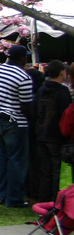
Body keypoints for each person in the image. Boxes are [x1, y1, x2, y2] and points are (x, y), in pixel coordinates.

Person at [0, 45, 35, 208]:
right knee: (17, 161)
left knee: (3, 158)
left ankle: (1, 193)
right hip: (14, 121)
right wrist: (32, 121)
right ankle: (14, 198)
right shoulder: (23, 77)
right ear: (22, 58)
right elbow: (26, 105)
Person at [35, 60, 70, 203]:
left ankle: (43, 199)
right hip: (55, 135)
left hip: (41, 132)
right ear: (62, 72)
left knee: (45, 169)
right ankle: (55, 200)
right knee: (56, 170)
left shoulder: (42, 89)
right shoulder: (63, 92)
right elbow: (66, 114)